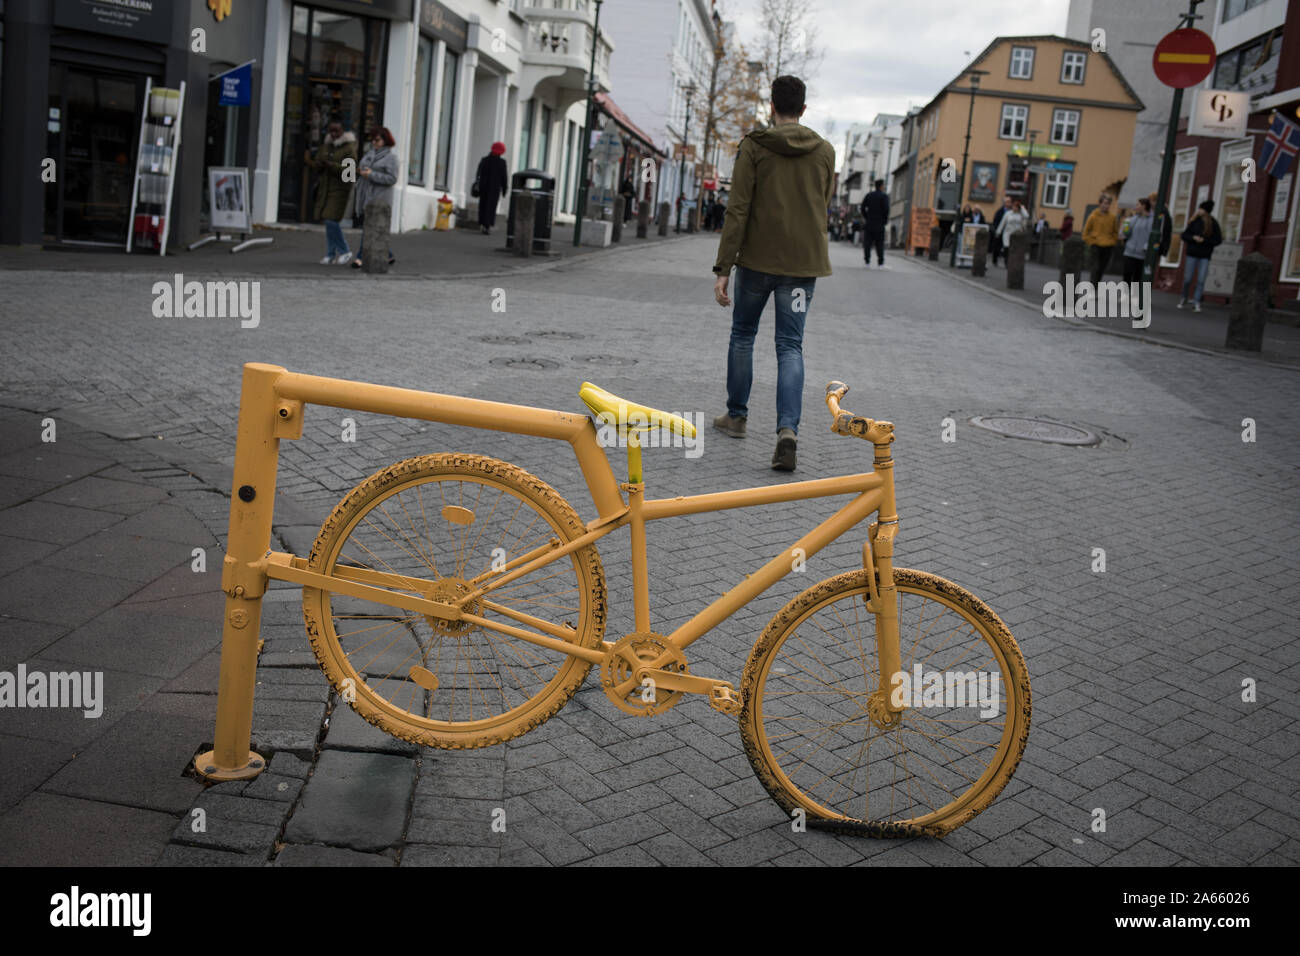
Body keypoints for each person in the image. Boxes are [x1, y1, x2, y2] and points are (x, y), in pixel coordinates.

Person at [711, 75, 835, 472]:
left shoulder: (754, 147)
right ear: (803, 109)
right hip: (802, 266)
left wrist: (723, 267)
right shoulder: (825, 151)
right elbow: (822, 203)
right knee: (790, 346)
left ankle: (737, 418)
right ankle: (787, 432)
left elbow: (738, 209)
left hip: (756, 263)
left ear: (771, 106)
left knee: (744, 334)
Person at [304, 117, 357, 264]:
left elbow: (350, 172)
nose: (333, 134)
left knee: (331, 220)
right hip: (325, 188)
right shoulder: (326, 146)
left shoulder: (349, 148)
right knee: (328, 221)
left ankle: (344, 250)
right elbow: (317, 166)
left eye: (337, 131)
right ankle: (330, 254)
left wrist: (332, 166)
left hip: (340, 189)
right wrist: (313, 162)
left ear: (343, 131)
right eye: (331, 130)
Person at [351, 127, 399, 268]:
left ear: (385, 140)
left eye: (377, 139)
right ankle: (388, 255)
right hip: (367, 195)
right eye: (372, 139)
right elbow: (363, 167)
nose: (374, 142)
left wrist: (371, 174)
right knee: (373, 228)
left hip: (380, 198)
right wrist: (362, 172)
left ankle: (360, 257)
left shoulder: (391, 158)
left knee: (370, 227)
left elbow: (392, 178)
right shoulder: (369, 154)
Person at [1178, 199, 1222, 312]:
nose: (1199, 210)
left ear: (1205, 210)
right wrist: (1193, 238)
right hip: (1192, 253)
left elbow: (1218, 239)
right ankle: (1184, 297)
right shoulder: (1194, 221)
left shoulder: (1213, 223)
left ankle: (1197, 301)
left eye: (1201, 208)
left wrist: (1205, 241)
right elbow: (1184, 235)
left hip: (1205, 255)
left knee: (1201, 279)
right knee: (1188, 278)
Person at [1121, 197, 1153, 313]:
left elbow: (1151, 236)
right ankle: (1126, 293)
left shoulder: (1151, 220)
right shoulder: (1133, 219)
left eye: (1138, 204)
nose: (1136, 206)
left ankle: (1134, 296)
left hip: (1141, 253)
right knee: (1127, 273)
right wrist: (1125, 228)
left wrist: (1146, 247)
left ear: (1144, 206)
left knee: (1137, 276)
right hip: (1129, 251)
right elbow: (1125, 233)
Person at [1082, 193, 1119, 284]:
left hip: (1108, 246)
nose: (1107, 206)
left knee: (1102, 269)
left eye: (1108, 204)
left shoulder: (1112, 217)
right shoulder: (1093, 216)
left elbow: (1115, 232)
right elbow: (1086, 233)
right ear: (1100, 204)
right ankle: (1092, 288)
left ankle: (1095, 287)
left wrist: (1113, 241)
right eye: (1105, 203)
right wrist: (1091, 241)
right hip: (1096, 245)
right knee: (1095, 267)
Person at [473, 141, 509, 235]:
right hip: (494, 188)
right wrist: (505, 189)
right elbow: (504, 177)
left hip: (483, 187)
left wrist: (478, 183)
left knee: (483, 205)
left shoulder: (484, 160)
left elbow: (479, 173)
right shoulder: (502, 163)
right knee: (491, 207)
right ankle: (487, 225)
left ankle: (482, 222)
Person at [861, 178, 889, 267]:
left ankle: (867, 261)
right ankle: (880, 263)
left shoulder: (869, 195)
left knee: (867, 243)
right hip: (879, 223)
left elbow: (862, 208)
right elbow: (886, 209)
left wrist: (866, 217)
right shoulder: (884, 196)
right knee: (879, 243)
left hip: (869, 222)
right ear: (881, 186)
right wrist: (884, 220)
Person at [990, 196, 1012, 265]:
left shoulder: (1012, 211)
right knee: (997, 247)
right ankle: (995, 260)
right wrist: (997, 230)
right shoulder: (1000, 211)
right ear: (1004, 203)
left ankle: (1006, 262)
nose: (1009, 203)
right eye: (1008, 202)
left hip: (1008, 232)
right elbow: (996, 221)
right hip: (1000, 231)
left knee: (1007, 248)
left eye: (1010, 202)